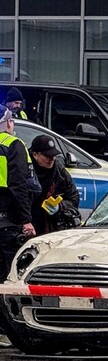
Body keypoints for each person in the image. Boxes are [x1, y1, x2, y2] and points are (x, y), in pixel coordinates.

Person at [0, 105, 36, 284]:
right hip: (7, 219)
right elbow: (18, 185)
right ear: (7, 123)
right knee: (9, 274)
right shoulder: (13, 144)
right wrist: (26, 220)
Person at [29, 135, 81, 235]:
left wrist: (60, 206)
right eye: (47, 156)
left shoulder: (59, 171)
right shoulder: (25, 168)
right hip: (29, 223)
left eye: (53, 155)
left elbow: (74, 198)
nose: (52, 159)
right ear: (35, 154)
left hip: (51, 226)